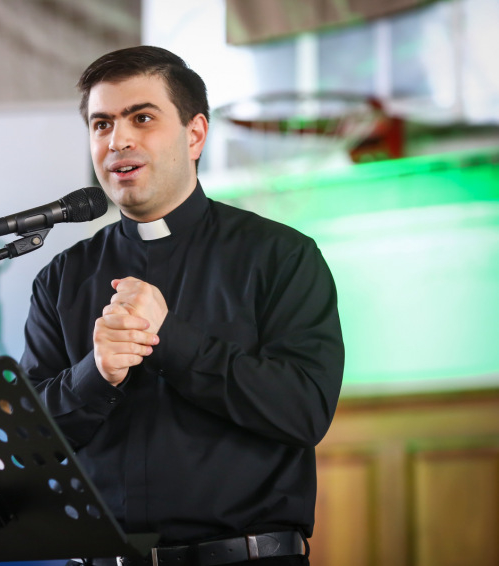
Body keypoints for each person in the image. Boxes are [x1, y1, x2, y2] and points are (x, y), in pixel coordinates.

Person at [19, 46, 344, 566]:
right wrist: (95, 375)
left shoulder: (281, 256)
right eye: (102, 124)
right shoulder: (61, 279)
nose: (118, 140)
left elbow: (304, 411)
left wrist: (168, 338)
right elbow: (30, 443)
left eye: (141, 118)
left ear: (195, 135)